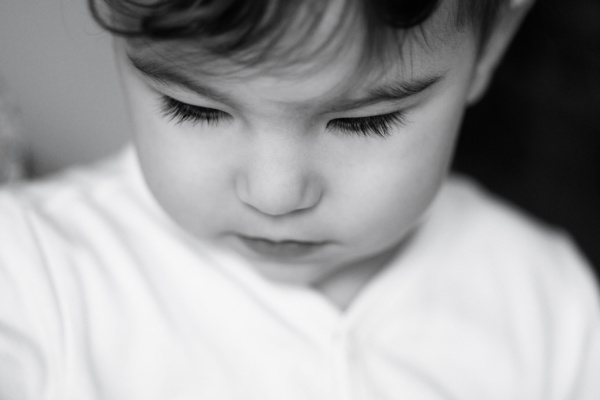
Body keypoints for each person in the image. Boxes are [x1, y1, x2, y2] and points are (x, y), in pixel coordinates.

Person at [1, 0, 598, 398]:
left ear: (490, 45)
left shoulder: (550, 301)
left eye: (363, 123)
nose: (275, 194)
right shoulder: (31, 273)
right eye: (196, 109)